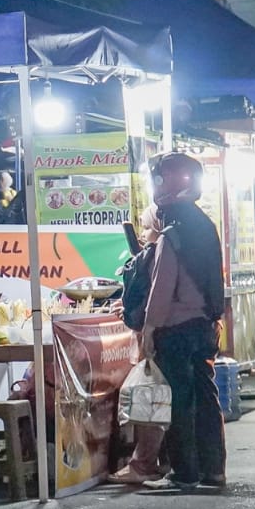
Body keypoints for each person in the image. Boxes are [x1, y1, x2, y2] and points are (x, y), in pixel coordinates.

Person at [141, 153, 227, 494]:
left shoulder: (172, 232)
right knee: (207, 397)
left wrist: (149, 327)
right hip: (205, 325)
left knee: (180, 400)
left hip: (176, 328)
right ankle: (214, 470)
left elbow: (163, 285)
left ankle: (184, 472)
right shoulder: (204, 226)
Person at [110, 204, 168, 485]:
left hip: (155, 334)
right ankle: (149, 460)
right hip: (158, 331)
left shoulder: (157, 255)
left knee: (150, 395)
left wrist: (146, 324)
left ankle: (144, 462)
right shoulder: (158, 254)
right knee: (153, 394)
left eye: (147, 227)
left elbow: (153, 297)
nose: (143, 234)